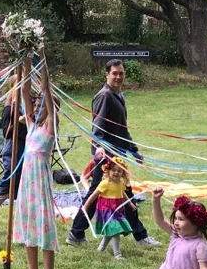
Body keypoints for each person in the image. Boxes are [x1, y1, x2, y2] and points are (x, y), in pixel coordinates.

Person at [67, 58, 159, 248]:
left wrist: (134, 150)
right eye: (114, 73)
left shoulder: (118, 95)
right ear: (107, 74)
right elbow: (97, 127)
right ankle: (140, 237)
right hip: (107, 158)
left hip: (119, 155)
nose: (118, 76)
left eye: (121, 73)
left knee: (118, 193)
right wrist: (98, 149)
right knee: (114, 193)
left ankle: (76, 233)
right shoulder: (105, 96)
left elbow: (122, 129)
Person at [13, 56, 59, 269]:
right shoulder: (30, 126)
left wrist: (43, 59)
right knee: (29, 232)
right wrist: (26, 64)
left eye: (42, 104)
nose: (38, 106)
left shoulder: (50, 127)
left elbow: (46, 93)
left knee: (44, 234)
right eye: (37, 104)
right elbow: (24, 92)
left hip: (40, 186)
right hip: (26, 186)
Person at [0, 76, 28, 221]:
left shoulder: (24, 107)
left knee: (22, 188)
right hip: (14, 151)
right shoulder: (9, 108)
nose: (24, 88)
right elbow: (6, 133)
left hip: (23, 150)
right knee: (5, 188)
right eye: (21, 85)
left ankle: (25, 221)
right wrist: (18, 122)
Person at [82, 156, 135, 260]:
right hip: (107, 209)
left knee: (112, 230)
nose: (116, 173)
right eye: (114, 170)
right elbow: (93, 195)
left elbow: (123, 193)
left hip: (117, 209)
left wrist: (130, 204)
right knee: (115, 230)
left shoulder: (121, 183)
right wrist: (85, 206)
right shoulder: (105, 183)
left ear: (122, 173)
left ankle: (101, 248)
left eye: (119, 171)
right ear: (108, 170)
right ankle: (117, 254)